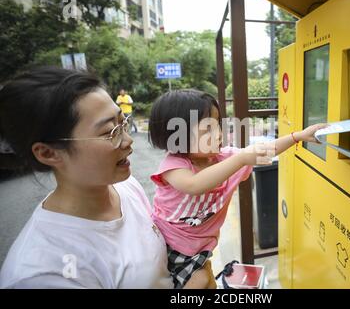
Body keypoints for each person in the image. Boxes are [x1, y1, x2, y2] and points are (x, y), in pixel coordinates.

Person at [0, 67, 212, 289]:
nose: (128, 140)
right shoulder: (42, 274)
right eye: (110, 132)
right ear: (48, 153)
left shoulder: (125, 187)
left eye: (123, 122)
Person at [148, 89, 327, 288]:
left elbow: (264, 151)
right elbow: (194, 185)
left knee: (207, 282)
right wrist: (241, 158)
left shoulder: (226, 158)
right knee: (200, 281)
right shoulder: (174, 167)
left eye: (217, 125)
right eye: (207, 129)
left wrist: (297, 137)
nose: (218, 134)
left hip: (200, 250)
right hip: (170, 246)